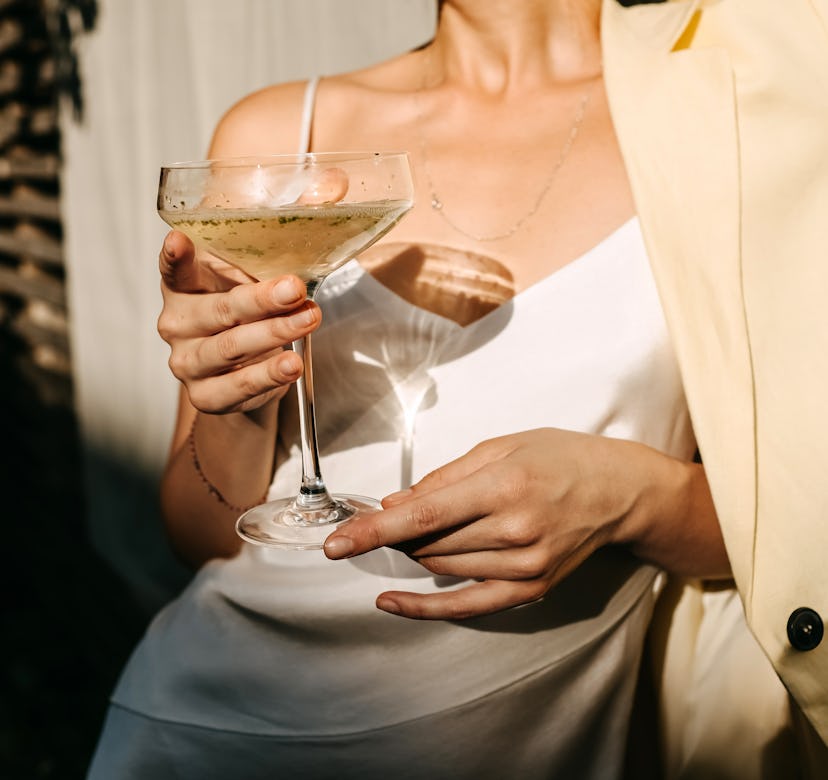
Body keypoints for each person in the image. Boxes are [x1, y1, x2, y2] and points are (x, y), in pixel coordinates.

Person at [88, 0, 828, 778]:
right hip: (208, 729)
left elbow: (801, 525)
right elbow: (205, 533)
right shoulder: (279, 132)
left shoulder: (734, 98)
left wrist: (638, 498)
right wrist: (236, 401)